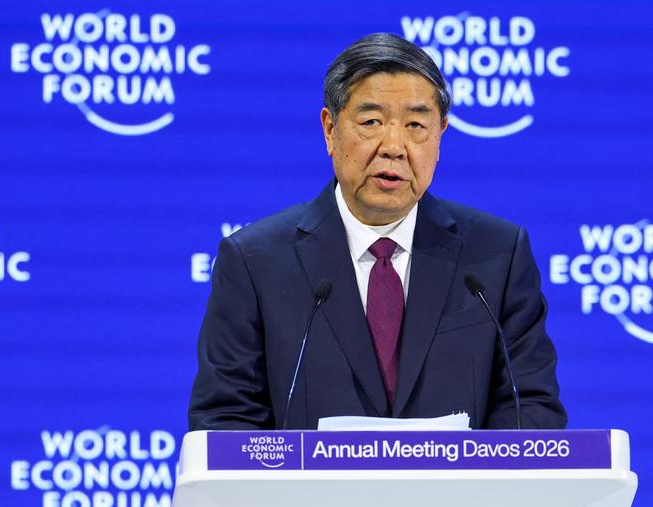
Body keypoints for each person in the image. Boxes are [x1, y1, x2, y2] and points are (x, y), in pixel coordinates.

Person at [188, 33, 565, 430]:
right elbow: (226, 419)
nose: (394, 146)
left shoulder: (497, 257)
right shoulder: (256, 261)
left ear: (440, 135)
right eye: (372, 122)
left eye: (416, 125)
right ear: (330, 129)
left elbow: (530, 409)